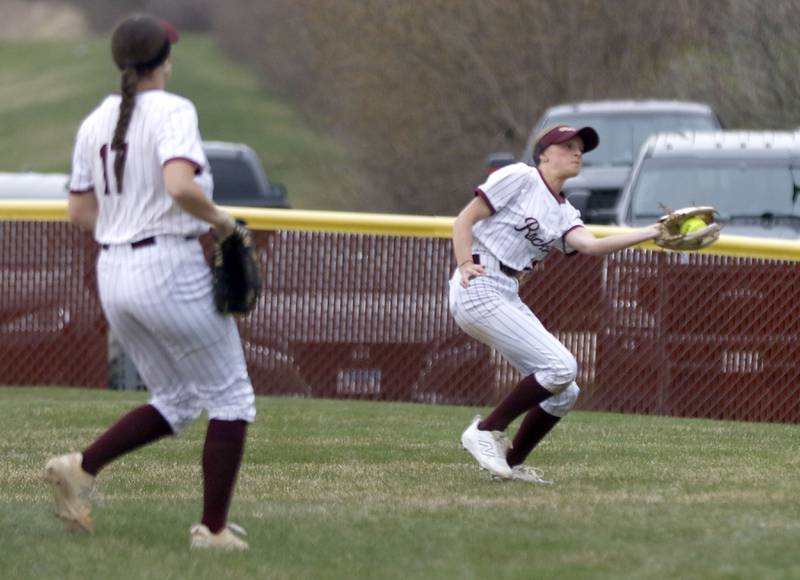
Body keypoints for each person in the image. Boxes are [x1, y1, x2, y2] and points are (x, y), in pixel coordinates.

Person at [43, 14, 255, 550]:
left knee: (179, 397)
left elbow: (78, 212)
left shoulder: (96, 119)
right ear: (162, 61)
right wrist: (223, 222)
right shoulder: (173, 109)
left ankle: (81, 468)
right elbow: (180, 186)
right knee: (231, 396)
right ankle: (212, 531)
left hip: (114, 271)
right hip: (167, 265)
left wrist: (127, 227)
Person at [450, 125, 661, 483]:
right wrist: (464, 262)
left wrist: (654, 232)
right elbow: (465, 219)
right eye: (566, 146)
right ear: (544, 154)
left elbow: (591, 246)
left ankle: (509, 466)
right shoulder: (521, 176)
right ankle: (486, 430)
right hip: (479, 282)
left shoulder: (564, 212)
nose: (576, 152)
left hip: (505, 291)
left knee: (566, 390)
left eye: (580, 148)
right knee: (561, 367)